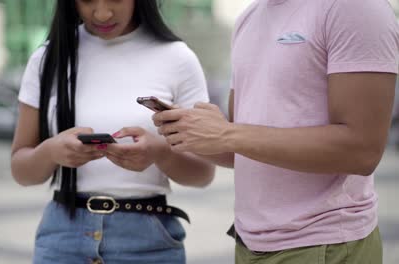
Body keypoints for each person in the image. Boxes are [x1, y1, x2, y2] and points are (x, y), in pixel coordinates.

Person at [153, 0, 399, 263]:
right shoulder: (249, 18)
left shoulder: (355, 7)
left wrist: (226, 133)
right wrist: (189, 134)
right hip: (249, 244)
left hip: (325, 244)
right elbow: (244, 149)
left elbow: (361, 151)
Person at [10, 0, 214, 263]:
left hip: (148, 240)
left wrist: (160, 153)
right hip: (62, 239)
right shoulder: (49, 56)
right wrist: (51, 152)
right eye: (87, 0)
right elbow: (21, 171)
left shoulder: (177, 57)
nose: (102, 13)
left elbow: (203, 174)